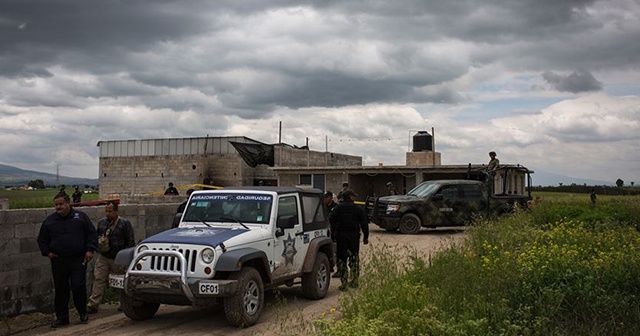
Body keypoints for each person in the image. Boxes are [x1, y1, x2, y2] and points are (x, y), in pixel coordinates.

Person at [37, 193, 97, 328]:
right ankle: (62, 317)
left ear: (68, 203)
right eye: (56, 205)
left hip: (78, 259)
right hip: (59, 261)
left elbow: (91, 234)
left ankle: (83, 313)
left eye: (61, 204)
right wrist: (48, 253)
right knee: (61, 289)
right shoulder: (50, 221)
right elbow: (42, 239)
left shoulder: (81, 218)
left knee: (78, 286)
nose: (58, 207)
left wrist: (90, 250)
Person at [87, 201, 135, 314]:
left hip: (118, 258)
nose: (108, 214)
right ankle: (93, 304)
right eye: (106, 211)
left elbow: (130, 241)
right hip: (103, 256)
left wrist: (125, 257)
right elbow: (96, 237)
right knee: (98, 279)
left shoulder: (124, 224)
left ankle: (123, 303)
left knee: (120, 281)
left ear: (116, 211)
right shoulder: (102, 223)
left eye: (110, 211)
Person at [329, 190, 369, 290]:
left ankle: (344, 283)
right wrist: (365, 237)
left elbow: (331, 222)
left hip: (341, 236)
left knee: (341, 259)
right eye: (354, 196)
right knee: (354, 259)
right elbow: (364, 224)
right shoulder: (358, 209)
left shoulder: (337, 208)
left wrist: (333, 236)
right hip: (354, 236)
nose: (355, 198)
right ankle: (355, 281)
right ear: (350, 197)